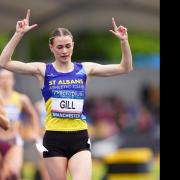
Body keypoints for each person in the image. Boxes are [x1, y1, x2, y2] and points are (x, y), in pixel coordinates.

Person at [0, 9, 133, 180]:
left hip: (79, 136)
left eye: (68, 46)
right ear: (52, 48)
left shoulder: (85, 69)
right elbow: (4, 62)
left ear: (73, 46)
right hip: (54, 138)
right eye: (60, 47)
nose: (64, 51)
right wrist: (18, 34)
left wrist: (124, 42)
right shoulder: (43, 70)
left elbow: (125, 67)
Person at [0, 69, 39, 180]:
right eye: (2, 78)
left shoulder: (21, 99)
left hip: (13, 140)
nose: (5, 81)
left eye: (8, 78)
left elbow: (33, 114)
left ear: (13, 80)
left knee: (13, 172)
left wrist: (35, 132)